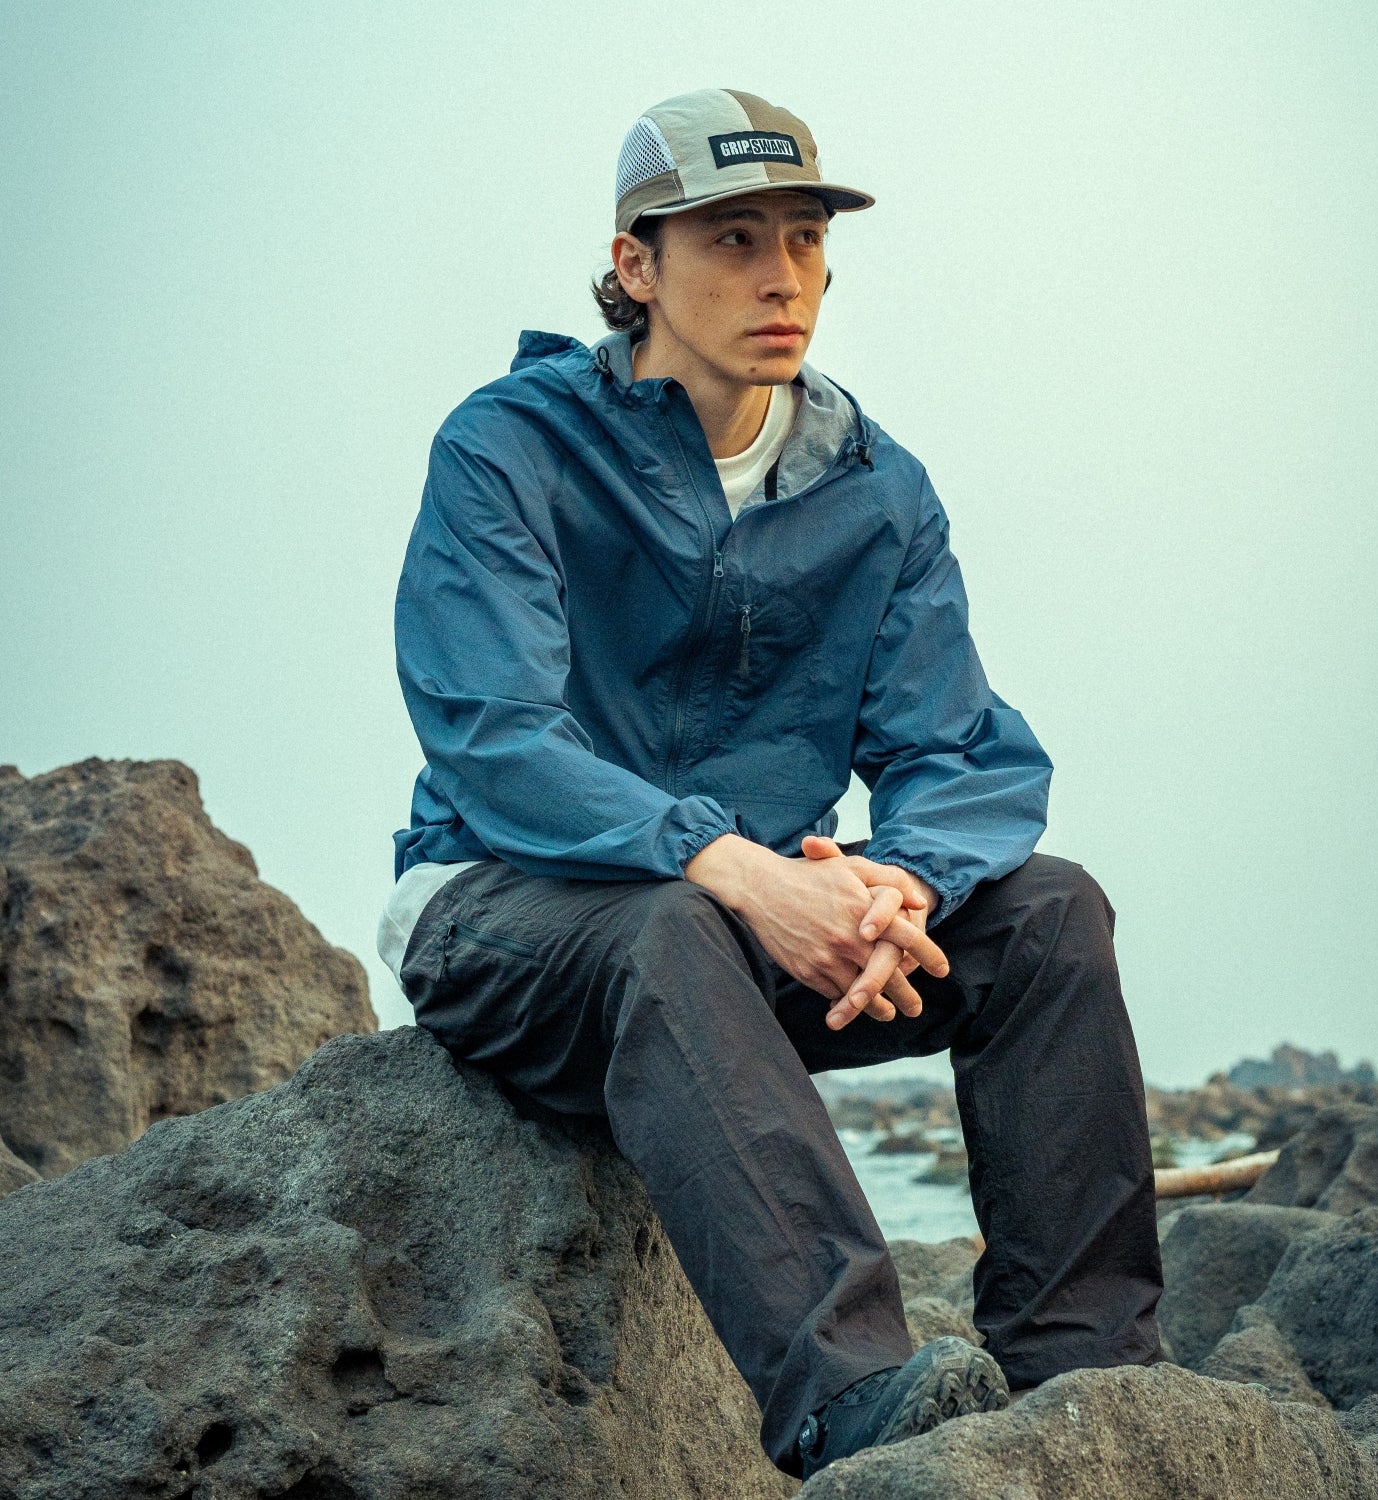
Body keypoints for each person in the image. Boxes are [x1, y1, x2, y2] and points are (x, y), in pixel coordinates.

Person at [377, 87, 1163, 1481]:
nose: (781, 276)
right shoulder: (508, 449)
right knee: (671, 924)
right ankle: (850, 1397)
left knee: (1047, 913)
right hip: (507, 913)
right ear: (635, 266)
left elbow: (957, 750)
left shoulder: (878, 489)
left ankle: (1083, 1377)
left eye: (803, 237)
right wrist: (736, 868)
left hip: (746, 947)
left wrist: (901, 884)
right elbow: (495, 740)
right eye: (733, 239)